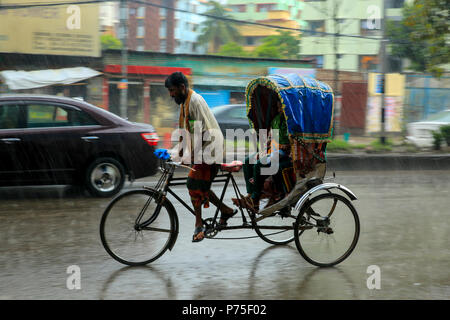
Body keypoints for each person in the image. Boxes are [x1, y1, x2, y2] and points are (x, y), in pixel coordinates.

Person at [165, 72, 236, 242]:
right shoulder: (184, 103)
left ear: (182, 87)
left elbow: (202, 132)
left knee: (193, 183)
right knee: (201, 185)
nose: (171, 94)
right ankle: (226, 210)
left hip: (211, 149)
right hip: (203, 149)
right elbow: (185, 131)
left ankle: (199, 225)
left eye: (173, 90)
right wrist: (176, 152)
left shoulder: (194, 101)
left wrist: (191, 155)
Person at [233, 99, 291, 212]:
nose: (280, 110)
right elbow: (270, 139)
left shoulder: (291, 121)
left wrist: (280, 146)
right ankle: (250, 194)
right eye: (278, 108)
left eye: (281, 108)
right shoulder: (275, 120)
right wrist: (264, 150)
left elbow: (290, 143)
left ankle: (255, 197)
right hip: (273, 150)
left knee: (259, 164)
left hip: (285, 153)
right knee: (247, 161)